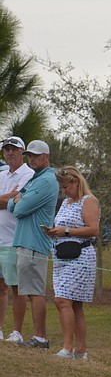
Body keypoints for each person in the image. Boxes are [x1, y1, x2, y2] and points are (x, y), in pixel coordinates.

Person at [44, 167, 100, 359]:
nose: (64, 191)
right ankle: (80, 350)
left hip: (80, 256)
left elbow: (93, 229)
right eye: (62, 187)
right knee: (72, 304)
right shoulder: (66, 202)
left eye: (66, 186)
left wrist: (66, 231)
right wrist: (54, 231)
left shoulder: (89, 200)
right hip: (62, 257)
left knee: (63, 300)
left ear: (76, 182)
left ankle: (68, 347)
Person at [8, 140, 59, 348]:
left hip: (34, 243)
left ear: (47, 156)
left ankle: (39, 338)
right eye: (30, 155)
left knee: (35, 291)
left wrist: (19, 199)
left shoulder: (46, 180)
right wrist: (17, 200)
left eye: (36, 155)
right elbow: (13, 204)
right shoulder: (36, 179)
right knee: (29, 290)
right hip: (25, 241)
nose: (32, 159)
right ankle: (38, 337)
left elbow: (19, 208)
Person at [0, 136, 33, 343]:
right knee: (0, 286)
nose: (10, 153)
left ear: (22, 152)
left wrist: (9, 199)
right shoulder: (2, 174)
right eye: (6, 150)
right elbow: (7, 199)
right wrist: (7, 199)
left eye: (13, 149)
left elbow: (16, 199)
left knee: (16, 286)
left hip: (14, 239)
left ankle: (17, 332)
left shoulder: (29, 174)